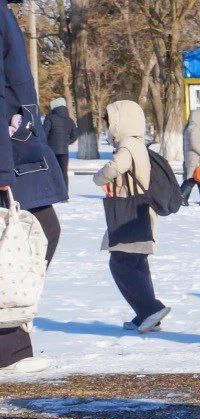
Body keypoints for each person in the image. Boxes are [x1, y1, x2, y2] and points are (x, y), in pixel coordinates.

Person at [0, 0, 69, 373]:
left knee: (37, 234)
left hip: (19, 147)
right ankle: (10, 347)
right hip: (10, 153)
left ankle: (12, 344)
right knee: (34, 234)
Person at [96, 100, 169, 334]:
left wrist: (99, 177)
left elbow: (117, 166)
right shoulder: (138, 143)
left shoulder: (127, 145)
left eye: (109, 121)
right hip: (140, 211)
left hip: (128, 212)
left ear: (121, 121)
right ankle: (146, 315)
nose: (107, 125)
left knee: (120, 263)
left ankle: (150, 309)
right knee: (137, 263)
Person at [180, 109, 200, 206]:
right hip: (195, 158)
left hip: (195, 158)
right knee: (193, 179)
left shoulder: (192, 128)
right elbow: (194, 145)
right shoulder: (193, 129)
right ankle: (181, 197)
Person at [43, 97, 76, 183]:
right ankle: (65, 190)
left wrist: (47, 143)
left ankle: (54, 190)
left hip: (51, 151)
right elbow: (75, 135)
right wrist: (66, 142)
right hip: (64, 151)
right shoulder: (69, 120)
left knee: (52, 172)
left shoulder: (49, 118)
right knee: (64, 173)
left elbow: (44, 134)